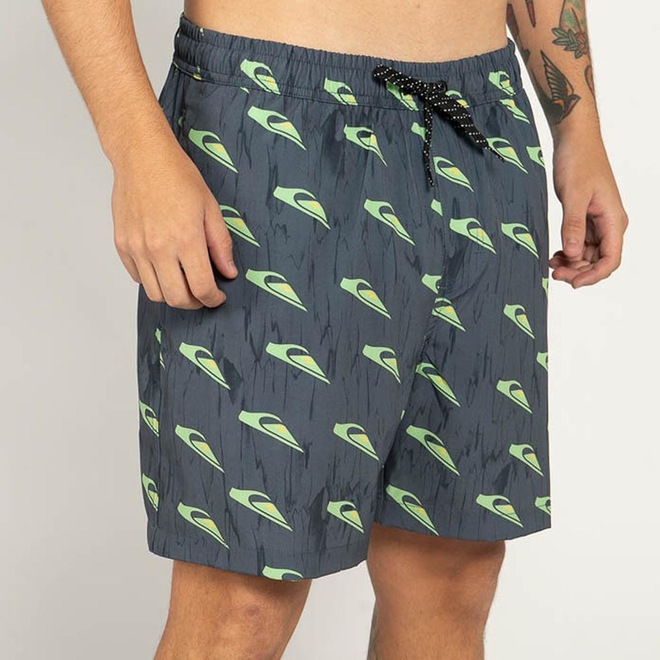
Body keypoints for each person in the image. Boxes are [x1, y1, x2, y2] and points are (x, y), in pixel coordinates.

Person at [41, 0, 627, 657]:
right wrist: (136, 147)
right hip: (268, 118)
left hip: (481, 124)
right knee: (243, 600)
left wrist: (579, 128)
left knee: (452, 571)